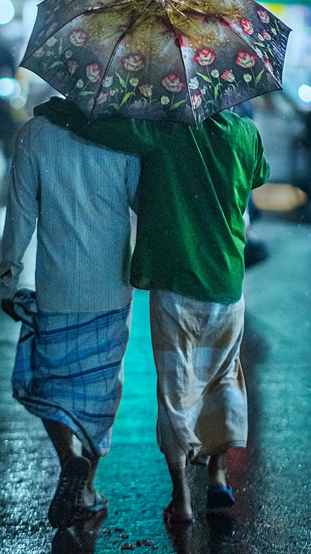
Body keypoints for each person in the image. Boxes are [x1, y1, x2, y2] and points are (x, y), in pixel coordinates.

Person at [36, 96, 270, 525]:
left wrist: (62, 111)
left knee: (175, 389)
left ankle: (181, 500)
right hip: (227, 283)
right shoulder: (245, 133)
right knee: (223, 379)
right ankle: (217, 476)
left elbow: (106, 131)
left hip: (176, 285)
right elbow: (259, 174)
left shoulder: (167, 133)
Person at [0, 113, 140, 529]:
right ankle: (88, 487)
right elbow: (142, 202)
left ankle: (68, 461)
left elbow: (20, 210)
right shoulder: (123, 134)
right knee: (101, 392)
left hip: (57, 287)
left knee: (52, 383)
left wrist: (8, 277)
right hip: (111, 288)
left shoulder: (34, 134)